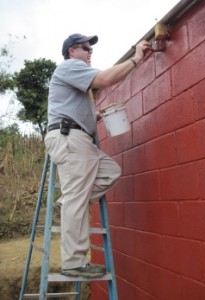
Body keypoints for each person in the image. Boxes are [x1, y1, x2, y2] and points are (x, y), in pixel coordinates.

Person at [44, 33, 150, 278]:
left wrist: (97, 116)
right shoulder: (71, 66)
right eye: (85, 48)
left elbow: (77, 110)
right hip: (70, 138)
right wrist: (136, 57)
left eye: (91, 49)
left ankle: (69, 202)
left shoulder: (77, 78)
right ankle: (73, 262)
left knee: (110, 171)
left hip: (78, 139)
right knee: (76, 199)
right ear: (72, 51)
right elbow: (105, 78)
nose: (90, 52)